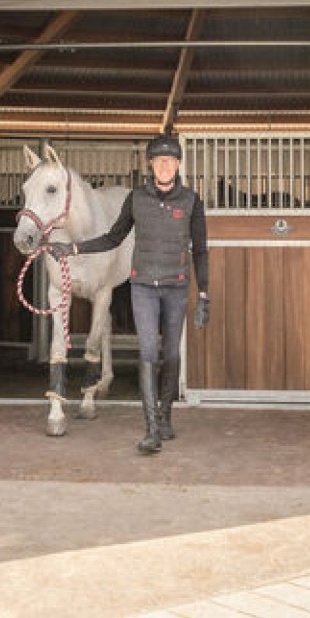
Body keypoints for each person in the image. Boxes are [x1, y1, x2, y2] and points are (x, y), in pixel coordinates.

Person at [69, 132, 208, 454]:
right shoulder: (137, 199)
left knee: (170, 355)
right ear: (151, 164)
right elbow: (112, 238)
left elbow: (200, 250)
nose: (165, 166)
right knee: (147, 354)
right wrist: (74, 247)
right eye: (159, 161)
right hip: (143, 286)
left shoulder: (190, 201)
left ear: (177, 165)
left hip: (176, 286)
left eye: (170, 161)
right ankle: (151, 429)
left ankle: (166, 415)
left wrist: (204, 294)